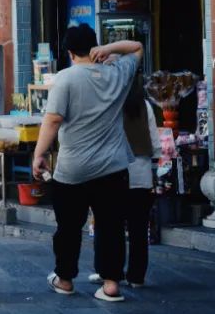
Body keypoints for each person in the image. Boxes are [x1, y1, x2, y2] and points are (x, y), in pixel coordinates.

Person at [32, 27, 141, 303]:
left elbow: (53, 119)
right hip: (113, 167)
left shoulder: (65, 78)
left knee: (68, 227)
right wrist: (112, 49)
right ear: (95, 47)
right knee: (111, 226)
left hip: (73, 169)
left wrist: (39, 153)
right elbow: (138, 47)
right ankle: (111, 284)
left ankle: (65, 279)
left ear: (69, 53)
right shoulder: (117, 73)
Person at [89, 86, 160, 289]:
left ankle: (110, 273)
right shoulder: (145, 105)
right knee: (139, 229)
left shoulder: (107, 105)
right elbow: (154, 142)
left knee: (110, 227)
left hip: (113, 173)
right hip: (141, 174)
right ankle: (136, 276)